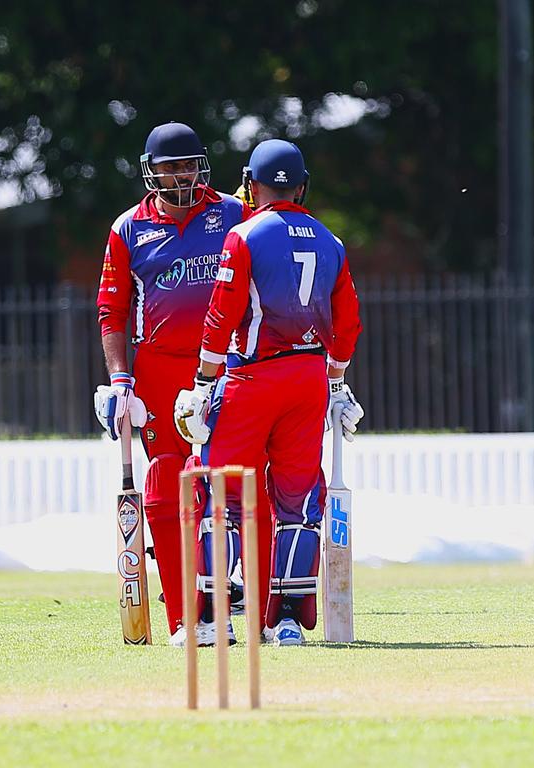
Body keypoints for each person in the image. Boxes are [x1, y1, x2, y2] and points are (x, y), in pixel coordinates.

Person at [174, 139, 364, 646]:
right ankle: (284, 623)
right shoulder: (331, 241)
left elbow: (222, 314)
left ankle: (215, 621)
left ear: (251, 184)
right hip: (308, 381)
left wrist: (201, 383)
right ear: (302, 186)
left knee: (222, 493)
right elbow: (347, 323)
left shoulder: (244, 234)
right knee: (298, 501)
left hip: (252, 378)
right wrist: (337, 381)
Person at [94, 121, 253, 647]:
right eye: (171, 167)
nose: (182, 176)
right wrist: (121, 381)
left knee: (230, 481)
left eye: (189, 165)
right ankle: (187, 615)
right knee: (166, 484)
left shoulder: (233, 213)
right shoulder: (128, 228)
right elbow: (112, 311)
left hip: (228, 364)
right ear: (151, 172)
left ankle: (256, 607)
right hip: (160, 370)